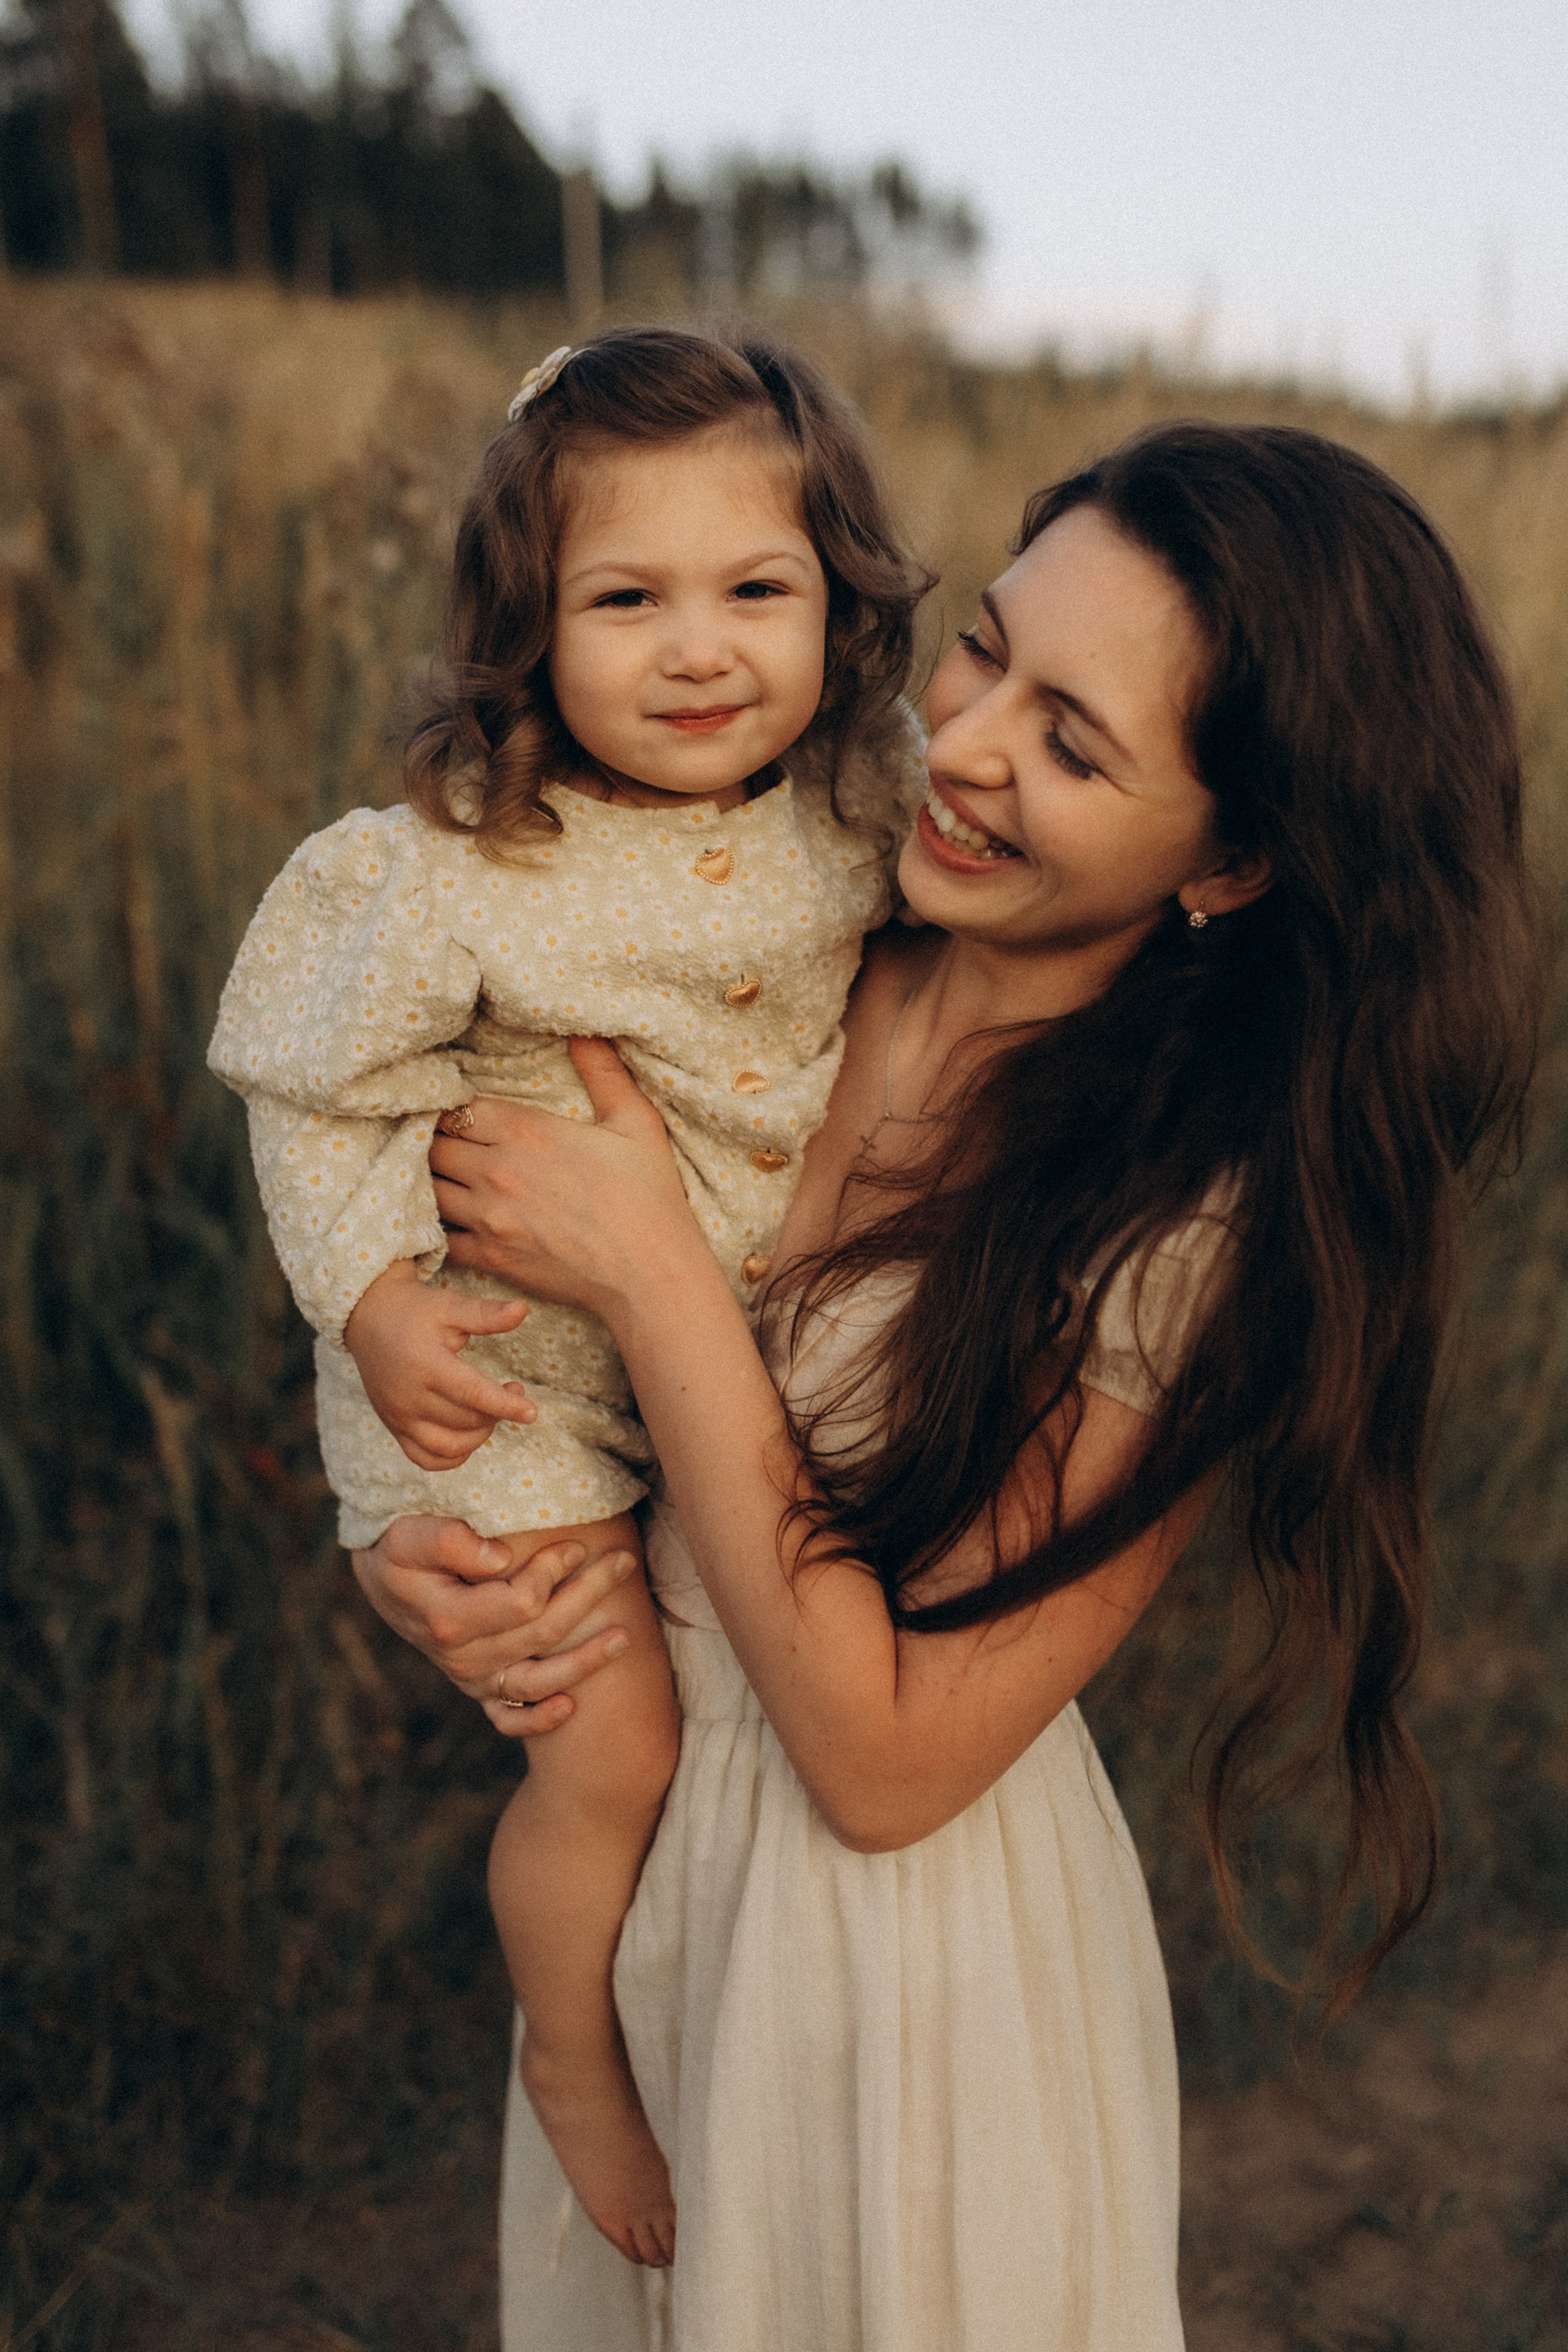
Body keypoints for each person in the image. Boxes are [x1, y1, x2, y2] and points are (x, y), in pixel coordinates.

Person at [352, 421, 1537, 2350]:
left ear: (1232, 859)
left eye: (1076, 745)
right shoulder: (777, 953)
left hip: (896, 1981)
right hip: (644, 1895)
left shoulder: (1185, 1234)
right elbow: (527, 1360)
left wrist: (660, 1277)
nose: (969, 748)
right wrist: (442, 1548)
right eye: (985, 653)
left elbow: (892, 1761)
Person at [208, 325, 930, 2265]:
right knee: (607, 1741)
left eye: (756, 590)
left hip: (704, 1344)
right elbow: (315, 1084)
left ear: (840, 609)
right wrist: (367, 1303)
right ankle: (569, 2052)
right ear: (528, 632)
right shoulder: (456, 865)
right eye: (628, 599)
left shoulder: (865, 806)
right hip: (495, 1356)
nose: (700, 648)